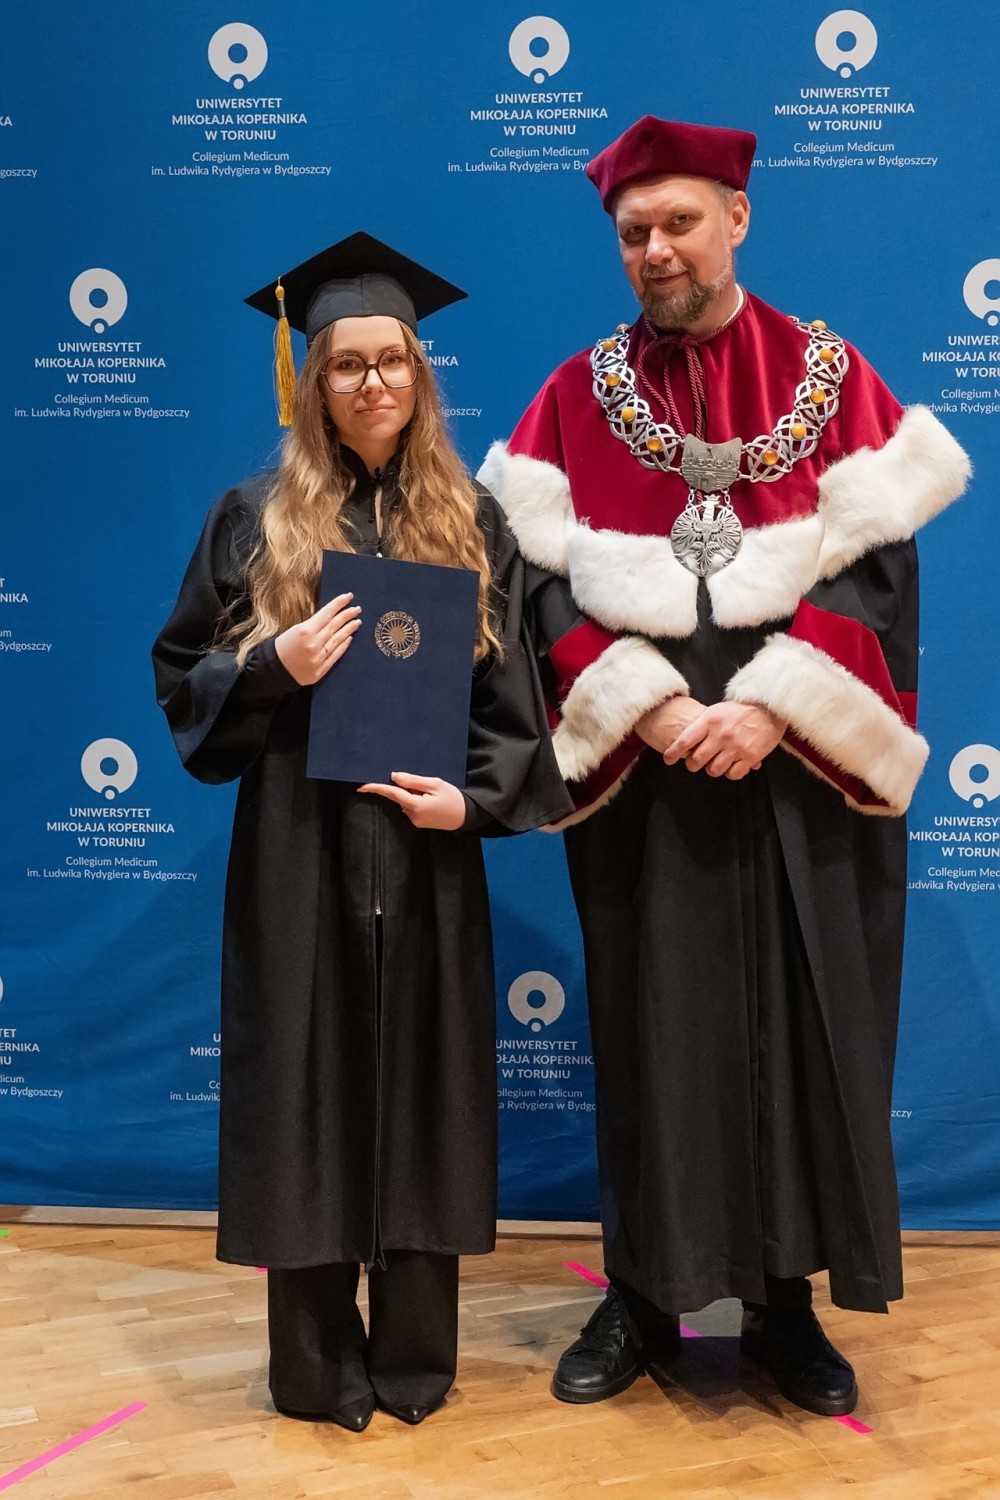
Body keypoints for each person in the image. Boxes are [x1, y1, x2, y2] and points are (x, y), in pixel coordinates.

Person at [480, 117, 970, 1417]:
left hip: (798, 774)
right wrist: (640, 703)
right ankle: (644, 1295)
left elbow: (878, 575)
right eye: (633, 232)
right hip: (646, 784)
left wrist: (771, 706)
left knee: (801, 1029)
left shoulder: (830, 378)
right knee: (653, 1031)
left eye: (680, 223)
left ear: (737, 219)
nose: (657, 250)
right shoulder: (574, 397)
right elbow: (531, 590)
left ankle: (782, 1303)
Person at [152, 232, 572, 1433]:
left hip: (425, 858)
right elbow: (181, 677)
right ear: (314, 382)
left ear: (420, 374)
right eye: (345, 363)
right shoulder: (252, 519)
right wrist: (268, 665)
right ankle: (315, 1367)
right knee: (305, 1095)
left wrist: (473, 803)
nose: (372, 381)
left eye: (392, 360)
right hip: (297, 852)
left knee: (423, 1094)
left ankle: (414, 1363)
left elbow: (520, 706)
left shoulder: (474, 522)